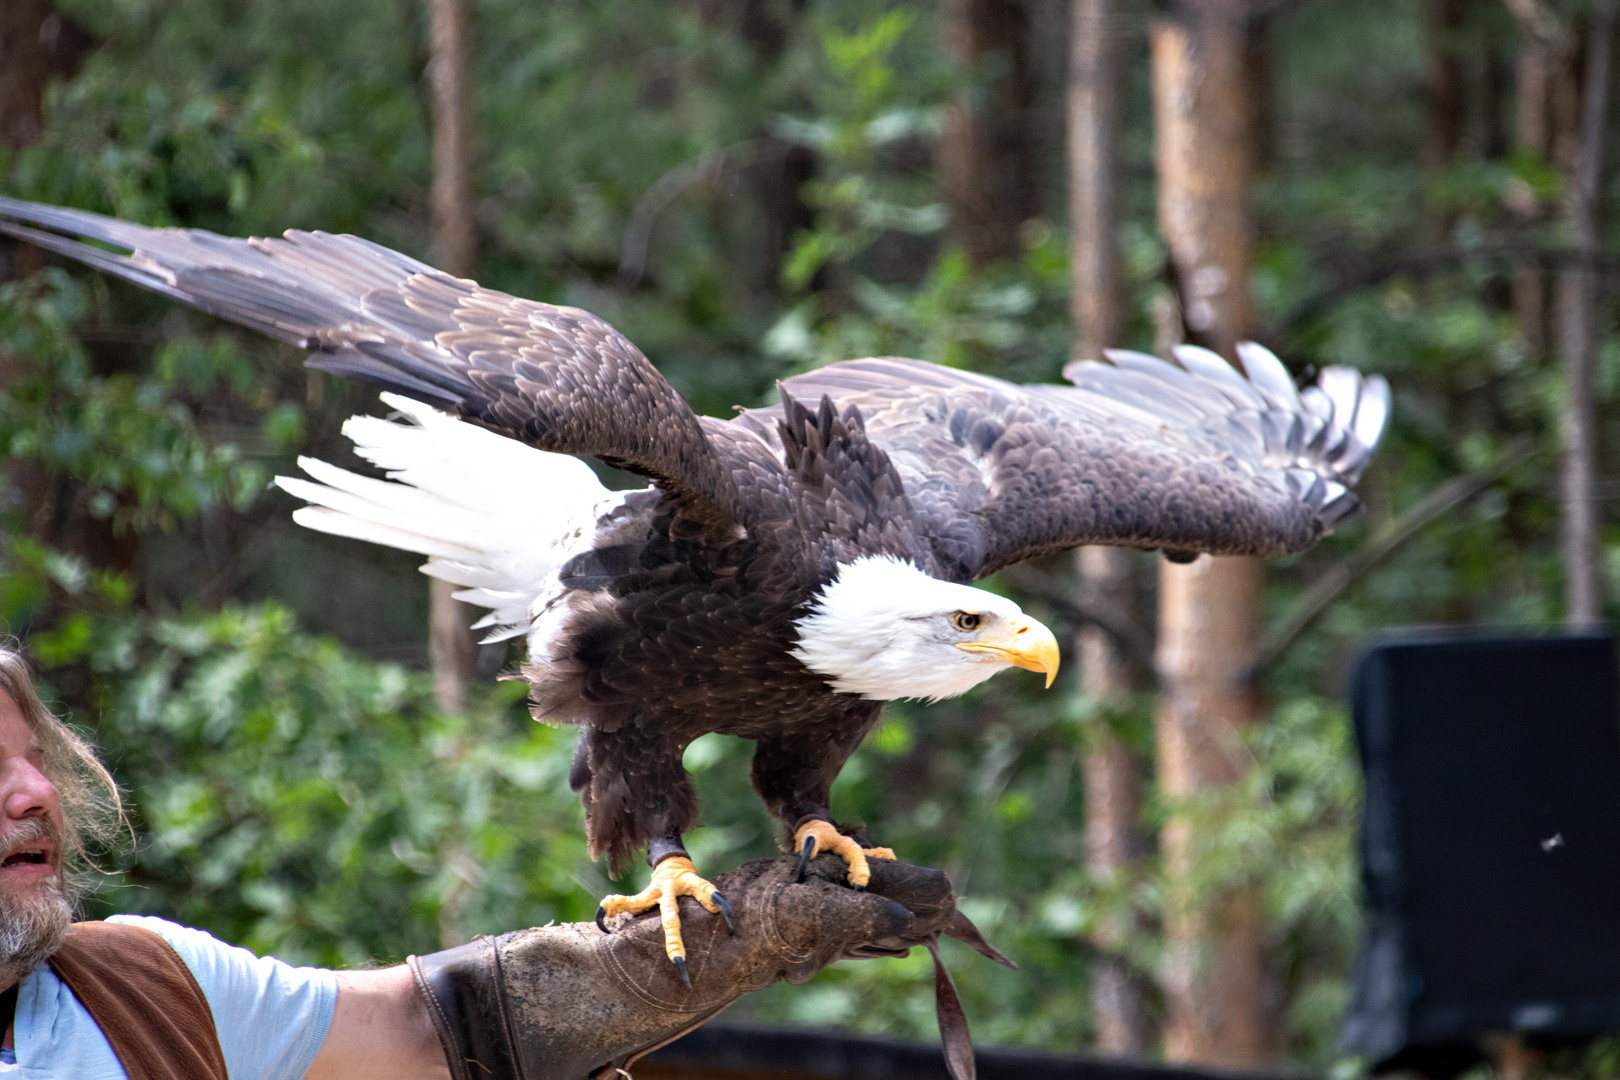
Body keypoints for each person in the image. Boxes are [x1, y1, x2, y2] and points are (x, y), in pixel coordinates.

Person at [0, 643, 961, 1080]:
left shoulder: (143, 985)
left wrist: (698, 956)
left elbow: (429, 1033)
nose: (36, 795)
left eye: (33, 760)